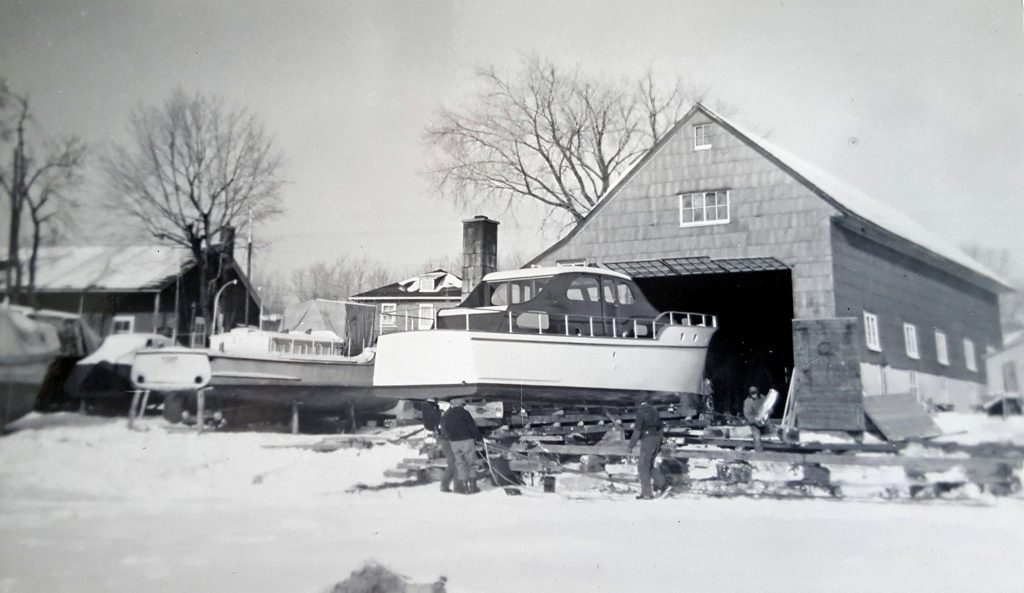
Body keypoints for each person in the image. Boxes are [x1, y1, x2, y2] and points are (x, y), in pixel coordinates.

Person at [440, 399, 482, 494]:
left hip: (454, 443)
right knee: (471, 463)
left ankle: (463, 488)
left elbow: (444, 429)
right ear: (461, 405)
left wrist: (450, 438)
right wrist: (479, 438)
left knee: (460, 464)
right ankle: (473, 487)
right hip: (466, 441)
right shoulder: (465, 413)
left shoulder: (447, 414)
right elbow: (472, 427)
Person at [628, 397, 663, 499]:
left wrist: (630, 446)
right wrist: (659, 443)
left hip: (648, 440)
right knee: (649, 465)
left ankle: (647, 493)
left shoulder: (641, 412)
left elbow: (637, 431)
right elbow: (661, 428)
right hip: (656, 439)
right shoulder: (654, 411)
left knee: (642, 466)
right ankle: (662, 484)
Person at [421, 398, 456, 493]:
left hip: (444, 440)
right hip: (446, 441)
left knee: (453, 462)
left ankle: (448, 485)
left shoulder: (443, 415)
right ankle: (445, 486)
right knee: (453, 462)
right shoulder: (446, 416)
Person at [742, 385, 768, 451]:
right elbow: (748, 416)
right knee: (757, 436)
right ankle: (759, 453)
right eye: (752, 393)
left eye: (755, 393)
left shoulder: (763, 398)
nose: (754, 395)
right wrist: (756, 421)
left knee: (774, 431)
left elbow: (768, 408)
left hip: (764, 421)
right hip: (754, 423)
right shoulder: (747, 402)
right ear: (750, 394)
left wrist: (768, 412)